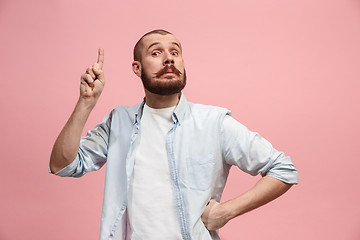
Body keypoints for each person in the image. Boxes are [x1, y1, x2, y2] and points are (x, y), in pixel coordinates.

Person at [49, 29, 298, 240]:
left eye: (175, 52)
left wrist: (227, 211)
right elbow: (63, 165)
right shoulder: (119, 122)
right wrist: (85, 104)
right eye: (156, 53)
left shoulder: (214, 123)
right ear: (137, 68)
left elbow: (283, 169)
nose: (169, 59)